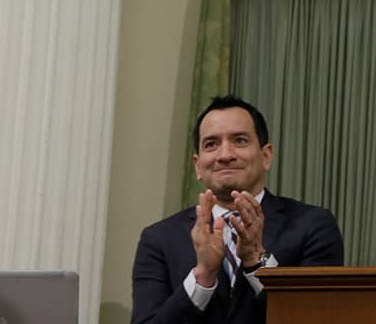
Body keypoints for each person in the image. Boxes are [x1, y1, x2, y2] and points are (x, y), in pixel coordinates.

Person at [132, 96, 344, 323]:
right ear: (198, 165)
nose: (225, 155)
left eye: (240, 140)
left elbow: (315, 318)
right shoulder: (158, 239)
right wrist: (203, 276)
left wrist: (256, 260)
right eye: (211, 144)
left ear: (266, 156)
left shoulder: (312, 225)